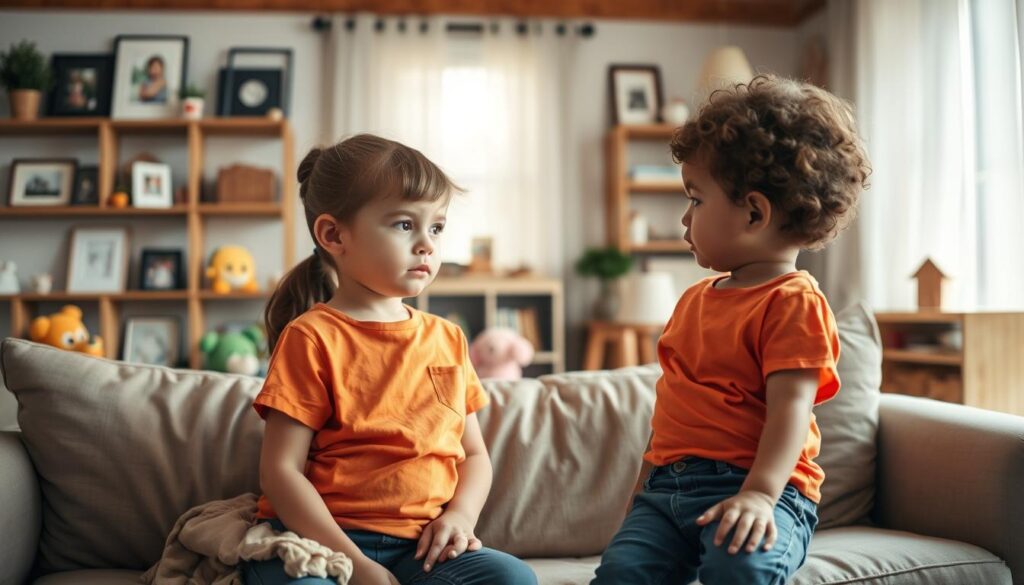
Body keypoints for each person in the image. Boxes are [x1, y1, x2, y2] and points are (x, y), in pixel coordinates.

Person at [592, 74, 871, 585]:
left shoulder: (794, 302)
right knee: (621, 575)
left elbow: (791, 410)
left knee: (737, 568)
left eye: (696, 200)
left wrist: (761, 495)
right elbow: (672, 410)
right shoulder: (693, 301)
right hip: (666, 490)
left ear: (754, 212)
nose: (684, 218)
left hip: (765, 489)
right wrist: (640, 495)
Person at [246, 134, 537, 585]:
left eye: (436, 228)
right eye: (405, 225)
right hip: (324, 541)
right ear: (334, 235)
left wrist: (459, 517)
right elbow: (280, 472)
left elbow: (474, 454)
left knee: (511, 578)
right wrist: (358, 567)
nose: (426, 244)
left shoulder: (449, 339)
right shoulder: (310, 337)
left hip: (420, 547)